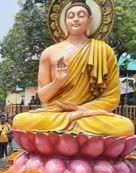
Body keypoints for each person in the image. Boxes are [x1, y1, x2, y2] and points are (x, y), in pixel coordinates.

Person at [13, 0, 134, 136]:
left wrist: (80, 109)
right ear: (64, 22)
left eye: (81, 15)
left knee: (125, 127)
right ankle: (74, 126)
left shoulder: (104, 50)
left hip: (87, 115)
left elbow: (111, 98)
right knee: (20, 120)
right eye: (71, 16)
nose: (75, 20)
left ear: (90, 20)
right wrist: (57, 82)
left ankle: (64, 129)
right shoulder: (49, 52)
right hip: (57, 113)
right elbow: (44, 97)